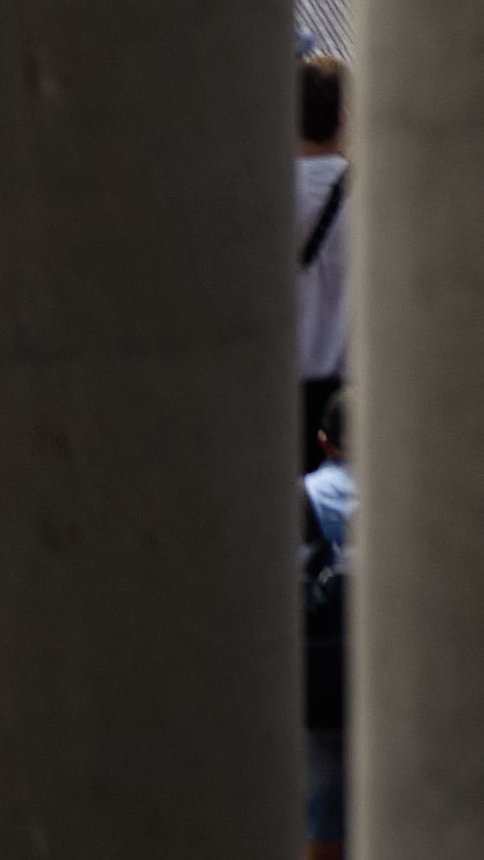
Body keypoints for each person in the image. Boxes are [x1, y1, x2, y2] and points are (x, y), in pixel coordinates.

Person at [307, 385, 354, 859]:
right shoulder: (411, 490)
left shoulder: (310, 493)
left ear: (325, 442)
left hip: (325, 670)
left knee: (322, 813)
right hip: (398, 672)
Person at [304, 49, 354, 465]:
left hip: (265, 382)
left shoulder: (249, 198)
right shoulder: (369, 197)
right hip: (339, 399)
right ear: (344, 117)